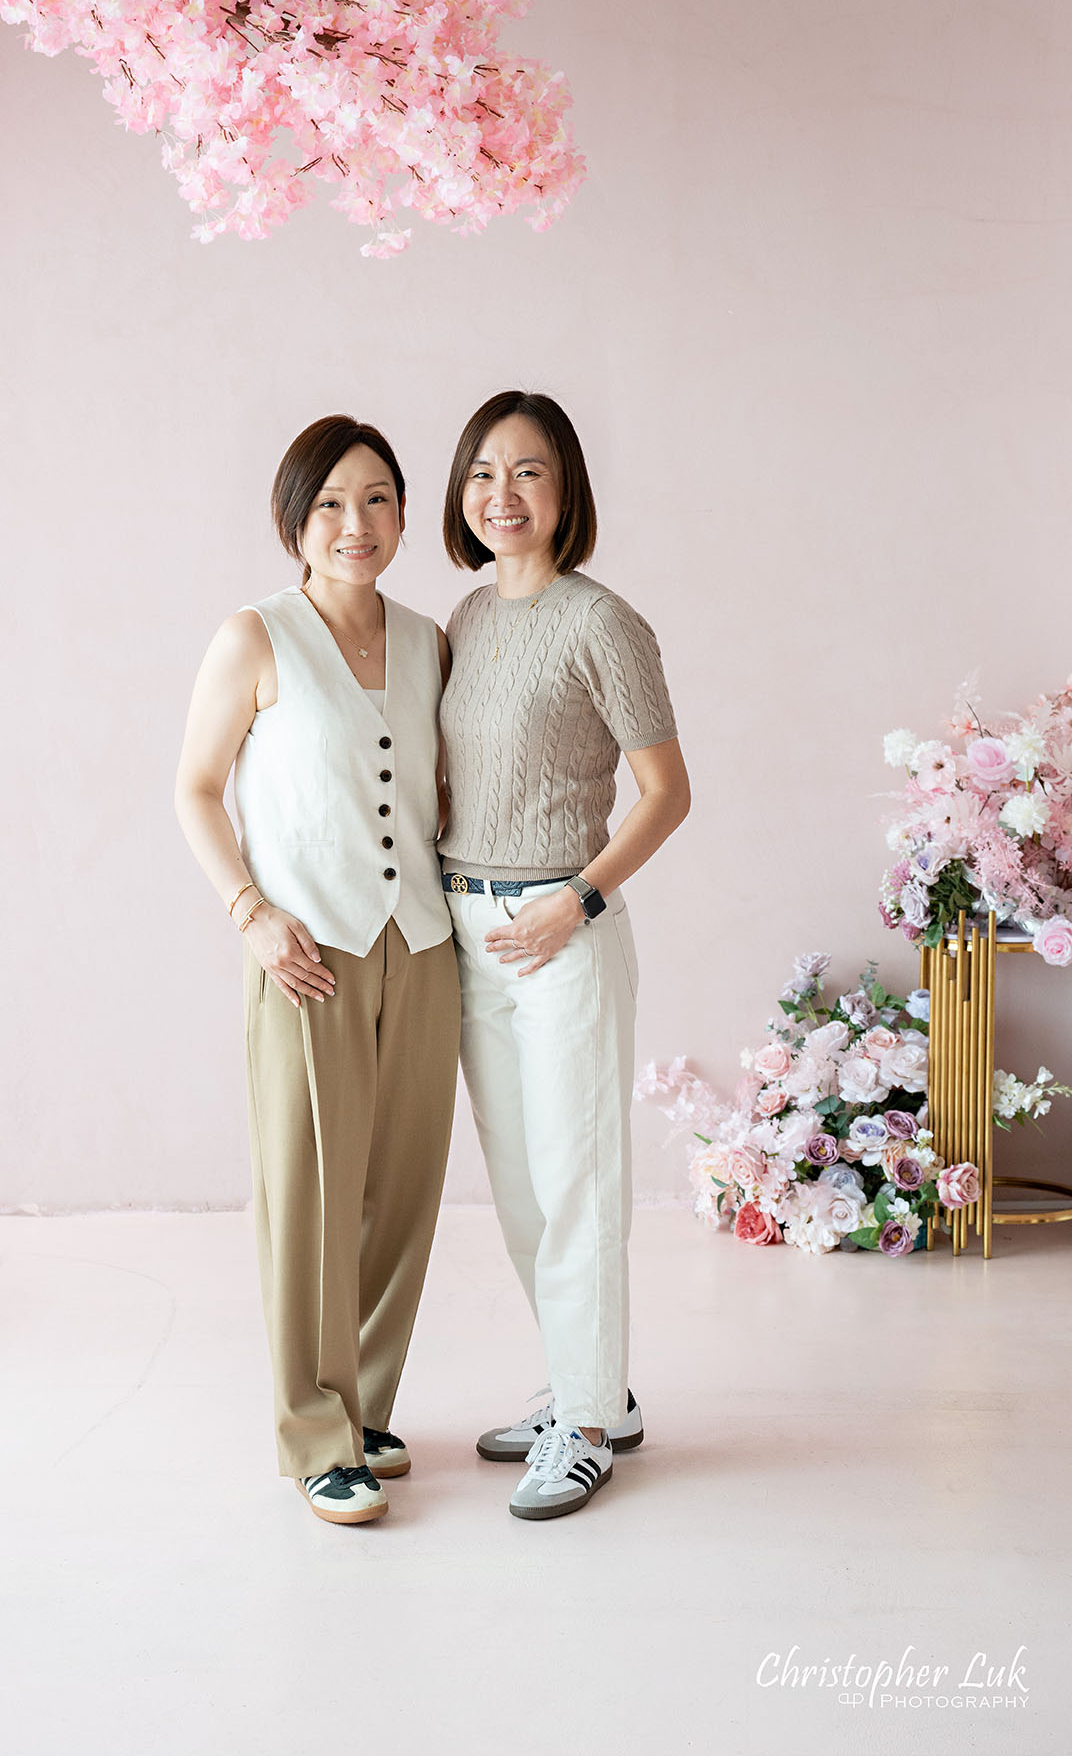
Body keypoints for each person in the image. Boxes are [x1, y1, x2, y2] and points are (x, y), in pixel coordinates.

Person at [174, 416, 459, 1527]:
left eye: (379, 499)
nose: (358, 523)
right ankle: (309, 1432)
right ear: (294, 518)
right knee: (308, 1192)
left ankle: (365, 1407)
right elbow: (196, 788)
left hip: (421, 946)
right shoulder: (256, 636)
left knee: (402, 1188)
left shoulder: (432, 638)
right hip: (306, 955)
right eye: (332, 502)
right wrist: (250, 913)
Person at [439, 390, 690, 1522]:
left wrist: (576, 900)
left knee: (578, 1182)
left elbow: (665, 792)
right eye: (483, 474)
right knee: (521, 1192)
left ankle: (584, 1424)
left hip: (562, 934)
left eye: (527, 473)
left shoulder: (603, 622)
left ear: (566, 490)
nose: (503, 496)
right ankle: (592, 1392)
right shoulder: (467, 619)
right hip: (467, 931)